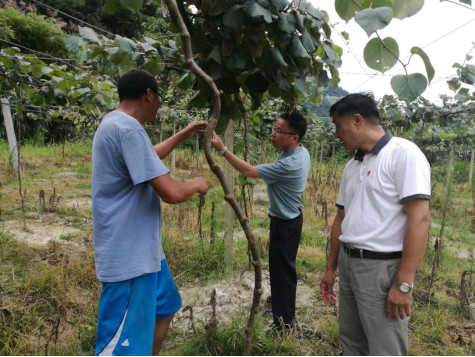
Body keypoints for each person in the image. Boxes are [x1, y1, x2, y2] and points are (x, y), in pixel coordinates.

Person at [92, 69, 208, 356]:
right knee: (120, 346)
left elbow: (145, 157)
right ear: (148, 95)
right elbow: (171, 193)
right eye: (158, 98)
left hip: (146, 253)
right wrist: (195, 183)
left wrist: (183, 134)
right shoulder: (128, 128)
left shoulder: (114, 121)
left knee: (164, 308)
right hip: (128, 257)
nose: (158, 105)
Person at [320, 93, 431, 355]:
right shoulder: (352, 165)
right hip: (349, 263)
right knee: (352, 339)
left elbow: (420, 218)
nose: (336, 134)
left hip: (380, 268)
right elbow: (341, 218)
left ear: (357, 120)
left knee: (385, 346)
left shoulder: (403, 154)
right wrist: (331, 267)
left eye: (338, 125)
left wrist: (403, 283)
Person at [211, 112, 310, 331]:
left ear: (294, 137)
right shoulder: (301, 152)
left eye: (279, 131)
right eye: (274, 129)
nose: (273, 134)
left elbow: (248, 171)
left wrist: (222, 149)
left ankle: (284, 324)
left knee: (283, 272)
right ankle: (279, 308)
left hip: (286, 225)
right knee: (278, 269)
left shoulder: (289, 164)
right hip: (287, 221)